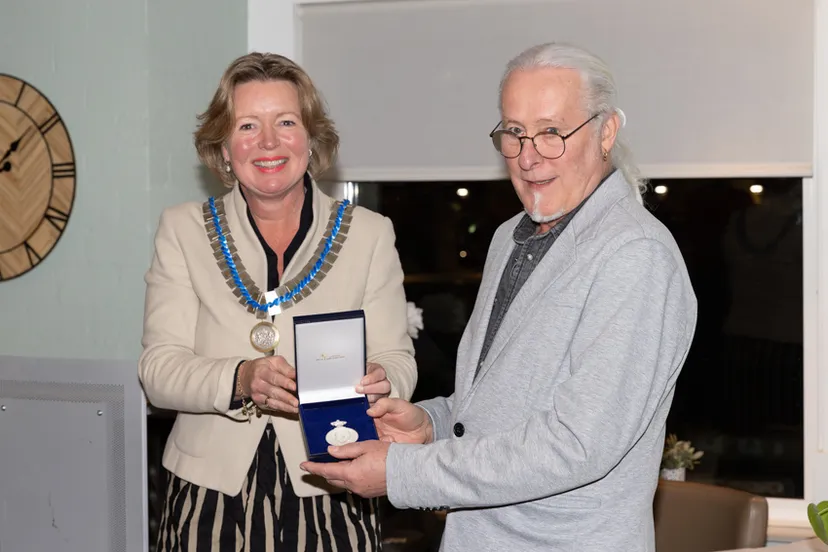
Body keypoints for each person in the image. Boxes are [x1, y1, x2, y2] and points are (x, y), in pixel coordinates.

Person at [301, 42, 698, 551]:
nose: (528, 157)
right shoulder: (510, 237)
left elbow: (576, 443)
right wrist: (432, 423)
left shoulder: (636, 255)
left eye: (551, 132)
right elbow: (498, 407)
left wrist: (404, 472)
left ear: (606, 132)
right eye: (514, 132)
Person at [138, 52, 417, 551]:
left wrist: (382, 381)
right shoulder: (182, 230)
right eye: (247, 125)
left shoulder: (369, 233)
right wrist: (240, 378)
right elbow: (158, 370)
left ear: (311, 139)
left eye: (286, 122)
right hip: (209, 493)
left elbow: (399, 360)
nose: (268, 141)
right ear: (224, 148)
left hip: (335, 479)